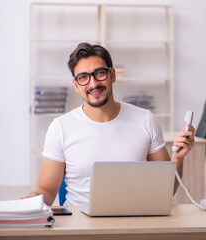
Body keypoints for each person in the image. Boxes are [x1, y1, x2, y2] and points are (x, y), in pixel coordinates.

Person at [23, 42, 195, 206]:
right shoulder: (60, 127)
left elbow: (164, 190)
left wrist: (178, 159)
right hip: (80, 227)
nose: (93, 83)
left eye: (99, 73)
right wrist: (32, 198)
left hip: (133, 221)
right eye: (83, 77)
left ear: (112, 75)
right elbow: (46, 189)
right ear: (76, 85)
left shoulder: (145, 120)